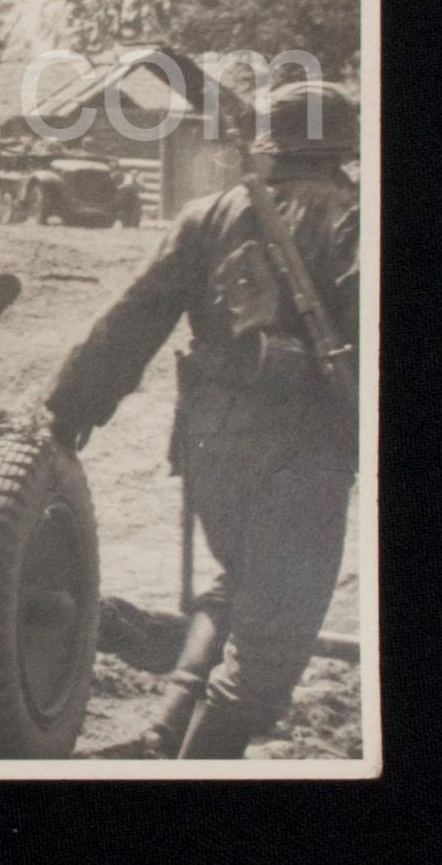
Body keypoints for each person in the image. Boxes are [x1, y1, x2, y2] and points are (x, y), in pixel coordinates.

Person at [46, 81, 360, 759]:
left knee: (238, 581)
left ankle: (164, 731)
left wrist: (69, 410)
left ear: (268, 143)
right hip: (302, 452)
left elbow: (130, 321)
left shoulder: (209, 214)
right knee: (272, 646)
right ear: (341, 148)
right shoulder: (355, 221)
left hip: (211, 445)